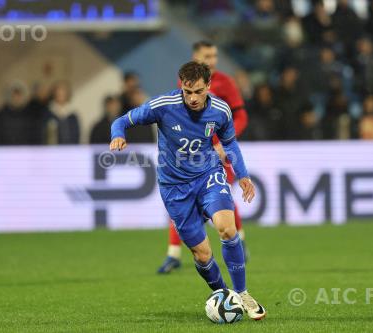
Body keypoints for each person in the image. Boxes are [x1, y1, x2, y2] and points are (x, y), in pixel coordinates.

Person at [110, 61, 266, 320]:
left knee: (227, 228)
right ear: (181, 86)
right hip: (174, 187)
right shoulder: (163, 106)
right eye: (187, 91)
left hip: (208, 175)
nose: (192, 98)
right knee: (202, 254)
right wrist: (118, 134)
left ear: (208, 87)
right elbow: (122, 120)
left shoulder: (220, 111)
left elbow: (230, 145)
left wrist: (244, 176)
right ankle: (224, 296)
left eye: (198, 92)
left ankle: (243, 293)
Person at [158, 41, 250, 274]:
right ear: (196, 56)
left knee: (222, 196)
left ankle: (240, 240)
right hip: (192, 153)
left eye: (215, 55)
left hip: (216, 151)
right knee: (183, 201)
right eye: (208, 55)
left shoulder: (225, 82)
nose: (213, 60)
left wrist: (224, 142)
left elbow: (240, 116)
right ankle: (173, 253)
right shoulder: (187, 82)